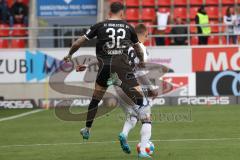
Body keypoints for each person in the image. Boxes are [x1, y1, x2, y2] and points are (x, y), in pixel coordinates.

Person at [63, 2, 156, 158]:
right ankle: (143, 143)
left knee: (95, 98)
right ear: (121, 13)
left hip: (105, 68)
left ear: (109, 11)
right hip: (122, 70)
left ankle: (87, 129)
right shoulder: (127, 27)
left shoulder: (99, 25)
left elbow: (79, 41)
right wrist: (141, 60)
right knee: (144, 109)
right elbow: (138, 49)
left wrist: (70, 54)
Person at [107, 24, 153, 155]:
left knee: (133, 115)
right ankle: (143, 151)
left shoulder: (123, 47)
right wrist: (150, 88)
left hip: (118, 86)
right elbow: (140, 73)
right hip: (132, 86)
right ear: (145, 34)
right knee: (146, 118)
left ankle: (124, 133)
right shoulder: (142, 49)